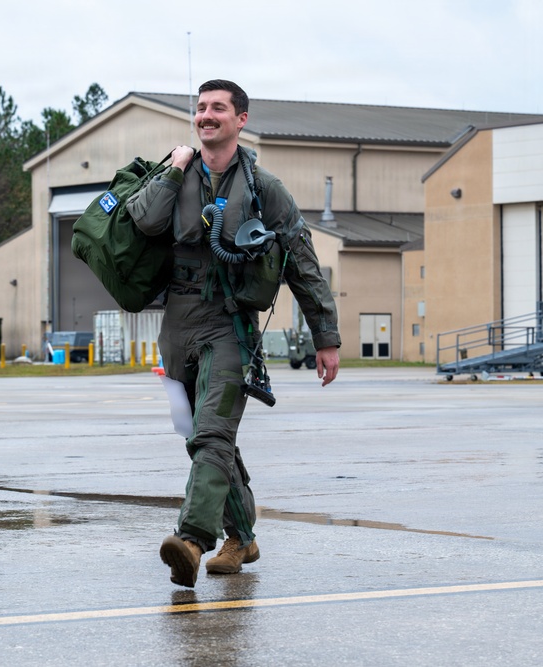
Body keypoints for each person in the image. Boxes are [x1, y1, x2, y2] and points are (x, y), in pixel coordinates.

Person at [126, 79, 341, 587]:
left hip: (229, 325)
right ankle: (241, 537)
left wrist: (325, 337)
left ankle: (192, 540)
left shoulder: (266, 189)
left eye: (217, 108)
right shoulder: (175, 172)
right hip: (176, 325)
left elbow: (303, 263)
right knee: (199, 437)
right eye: (200, 108)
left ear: (240, 119)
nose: (206, 115)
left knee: (213, 433)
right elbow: (145, 221)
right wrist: (174, 169)